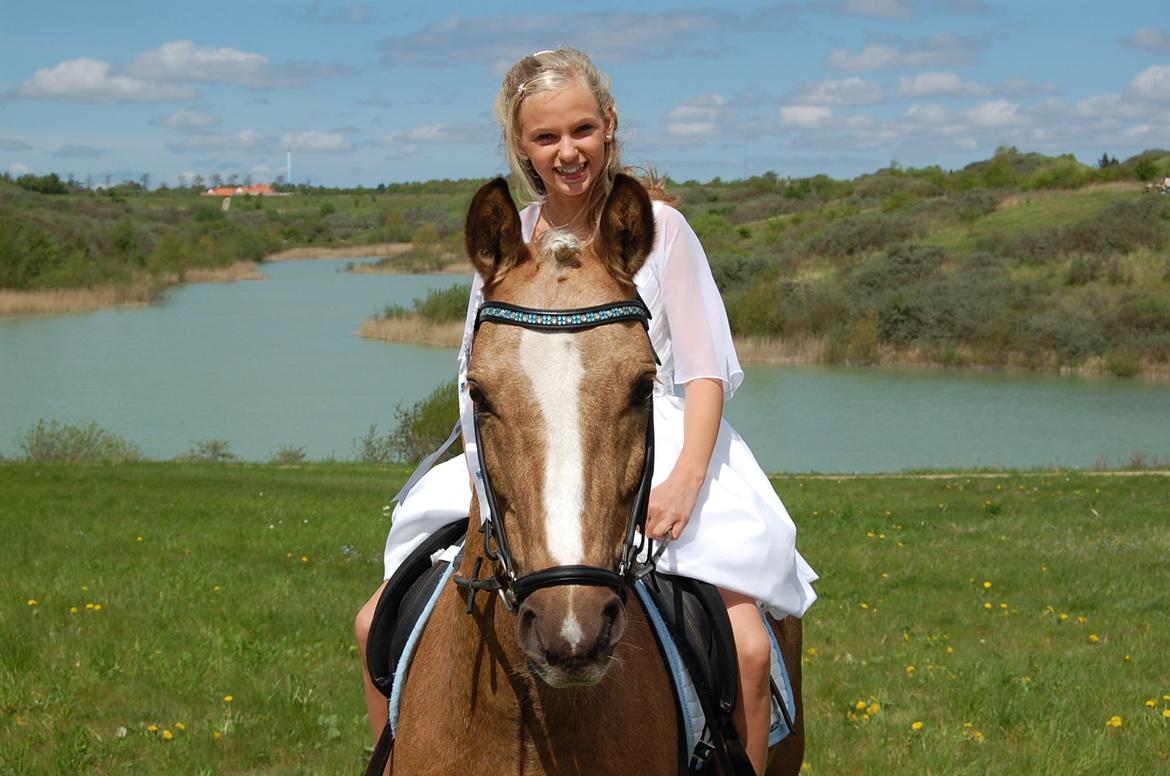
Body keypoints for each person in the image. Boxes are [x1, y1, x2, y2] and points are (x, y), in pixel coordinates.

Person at [355, 48, 817, 774]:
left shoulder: (661, 231)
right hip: (525, 441)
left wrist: (686, 481)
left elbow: (704, 372)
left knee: (750, 646)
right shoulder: (509, 244)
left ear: (609, 124)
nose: (567, 151)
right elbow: (477, 372)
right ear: (522, 147)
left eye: (581, 130)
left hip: (654, 437)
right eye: (546, 137)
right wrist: (487, 477)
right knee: (369, 621)